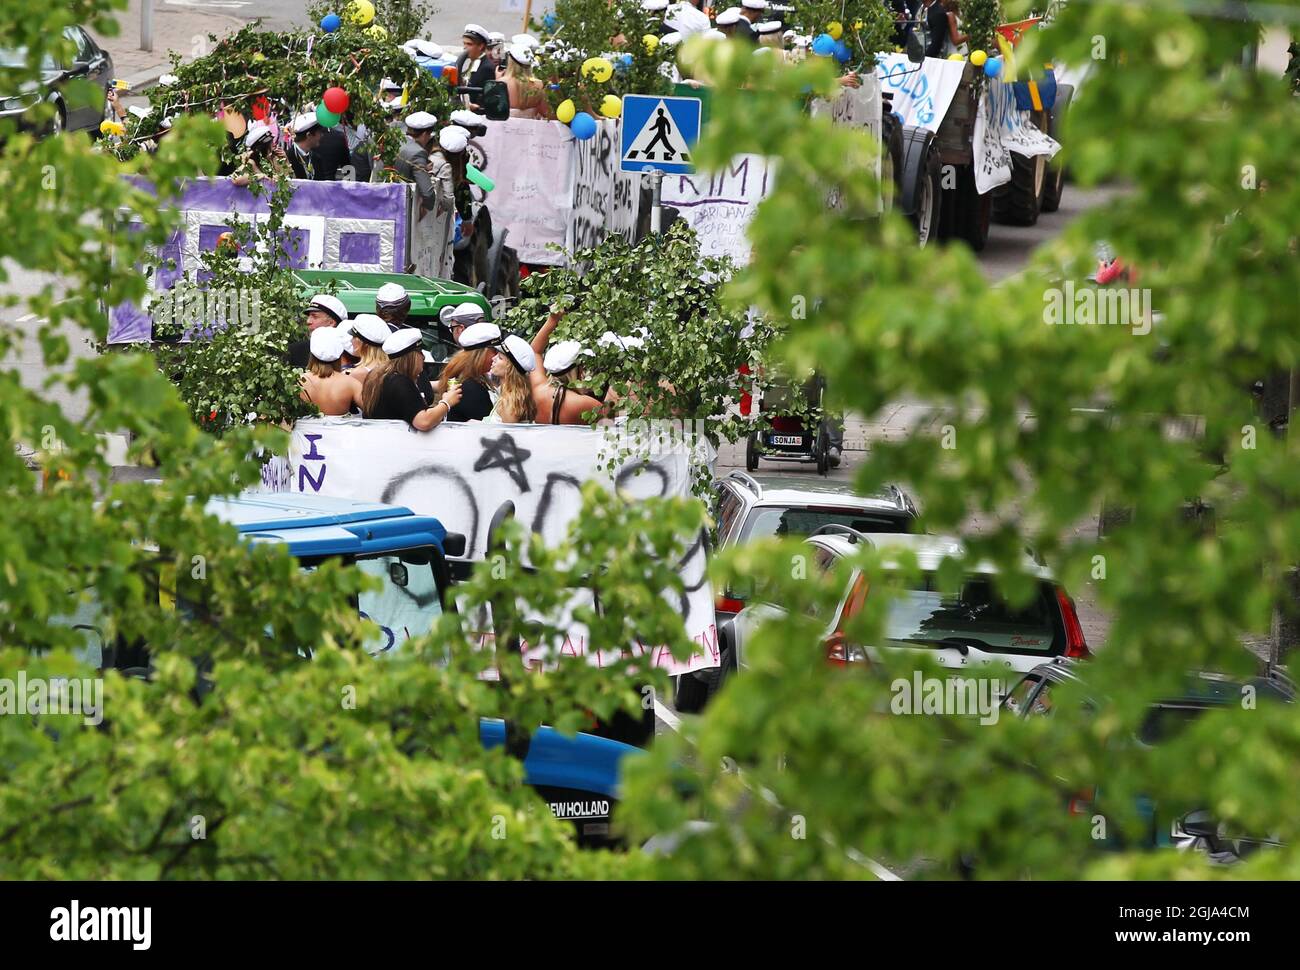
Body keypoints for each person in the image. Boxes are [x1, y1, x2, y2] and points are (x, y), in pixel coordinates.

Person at [362, 329, 462, 429]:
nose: (423, 357)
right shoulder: (400, 382)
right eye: (420, 352)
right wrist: (447, 402)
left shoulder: (378, 375)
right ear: (412, 357)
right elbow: (423, 421)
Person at [532, 340, 610, 425]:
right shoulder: (584, 404)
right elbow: (612, 425)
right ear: (579, 370)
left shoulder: (537, 390)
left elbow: (535, 351)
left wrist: (552, 325)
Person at [436, 321, 501, 421]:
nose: (497, 357)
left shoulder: (473, 379)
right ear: (482, 354)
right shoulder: (470, 388)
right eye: (495, 351)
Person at [300, 327, 364, 416]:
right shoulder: (351, 383)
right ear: (341, 352)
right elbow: (373, 412)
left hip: (305, 430)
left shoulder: (298, 382)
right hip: (340, 429)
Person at [394, 111, 442, 213]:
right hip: (403, 208)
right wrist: (426, 208)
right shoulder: (418, 152)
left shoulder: (397, 140)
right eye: (429, 136)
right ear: (425, 134)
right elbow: (428, 194)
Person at [485, 335, 538, 423]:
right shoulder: (510, 395)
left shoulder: (509, 402)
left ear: (510, 369)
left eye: (500, 358)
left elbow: (509, 435)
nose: (493, 358)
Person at [287, 294, 348, 368]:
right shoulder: (296, 351)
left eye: (315, 316)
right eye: (309, 316)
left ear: (331, 322)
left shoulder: (349, 352)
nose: (308, 321)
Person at [499, 43, 553, 120]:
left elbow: (494, 110)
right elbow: (546, 113)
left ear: (510, 61)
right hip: (530, 130)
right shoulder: (539, 85)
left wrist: (497, 79)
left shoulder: (502, 83)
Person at [231, 121, 289, 186]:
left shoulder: (274, 158)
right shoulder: (252, 162)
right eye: (271, 142)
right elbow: (235, 178)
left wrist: (285, 161)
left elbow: (289, 180)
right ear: (263, 146)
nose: (274, 144)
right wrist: (260, 176)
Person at [455, 24, 497, 110]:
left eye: (469, 44)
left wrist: (475, 106)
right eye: (464, 43)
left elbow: (487, 98)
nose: (465, 47)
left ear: (481, 46)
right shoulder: (475, 63)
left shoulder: (486, 68)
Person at [344, 313, 392, 384]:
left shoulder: (358, 373)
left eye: (354, 337)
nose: (351, 341)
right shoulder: (392, 367)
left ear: (364, 344)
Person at [287, 112, 325, 179]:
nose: (322, 135)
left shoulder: (316, 158)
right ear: (309, 135)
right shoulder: (287, 158)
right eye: (319, 132)